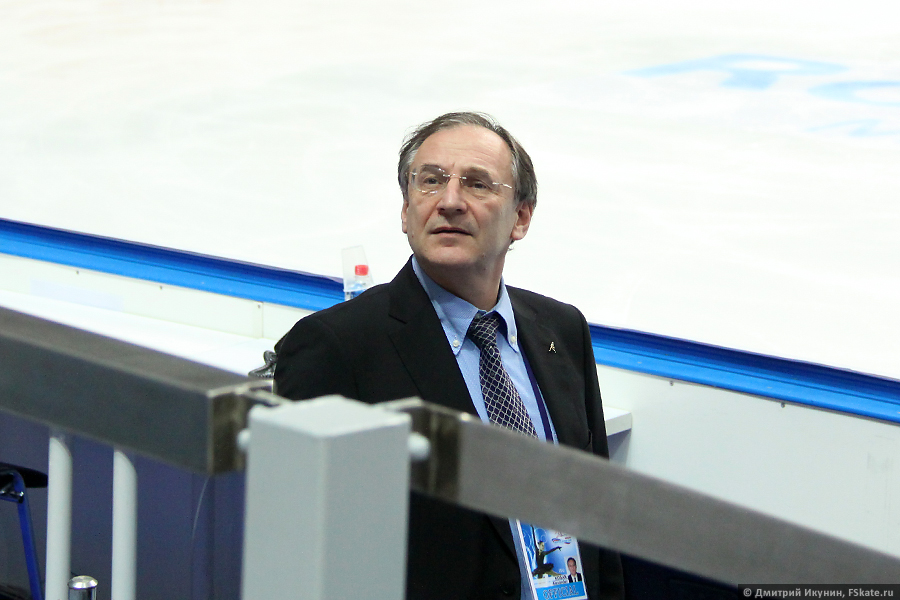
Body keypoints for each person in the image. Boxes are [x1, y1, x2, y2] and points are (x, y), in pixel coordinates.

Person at [274, 112, 624, 599]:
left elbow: (599, 519)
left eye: (477, 184)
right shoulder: (337, 347)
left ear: (521, 218)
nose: (450, 201)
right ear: (406, 209)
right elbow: (307, 551)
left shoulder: (562, 330)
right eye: (431, 181)